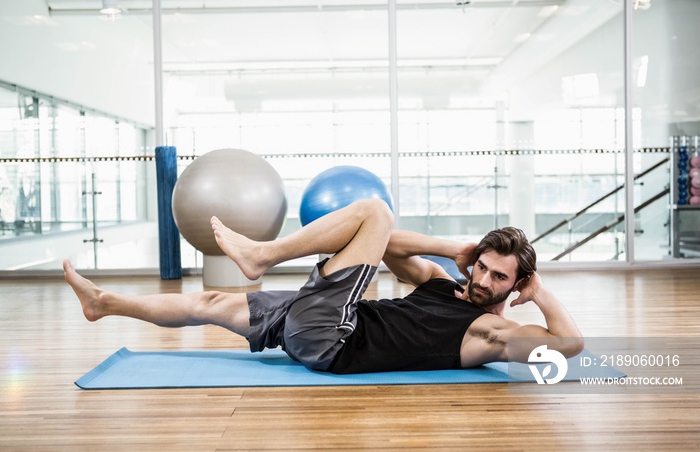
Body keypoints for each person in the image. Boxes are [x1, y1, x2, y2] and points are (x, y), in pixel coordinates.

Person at [64, 198, 583, 374]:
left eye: (500, 277)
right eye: (483, 267)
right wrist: (452, 251)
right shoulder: (445, 283)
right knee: (211, 301)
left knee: (373, 211)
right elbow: (389, 247)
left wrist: (540, 294)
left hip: (335, 339)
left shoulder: (489, 332)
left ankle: (262, 255)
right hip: (324, 321)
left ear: (514, 285)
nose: (485, 280)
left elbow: (569, 346)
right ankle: (104, 303)